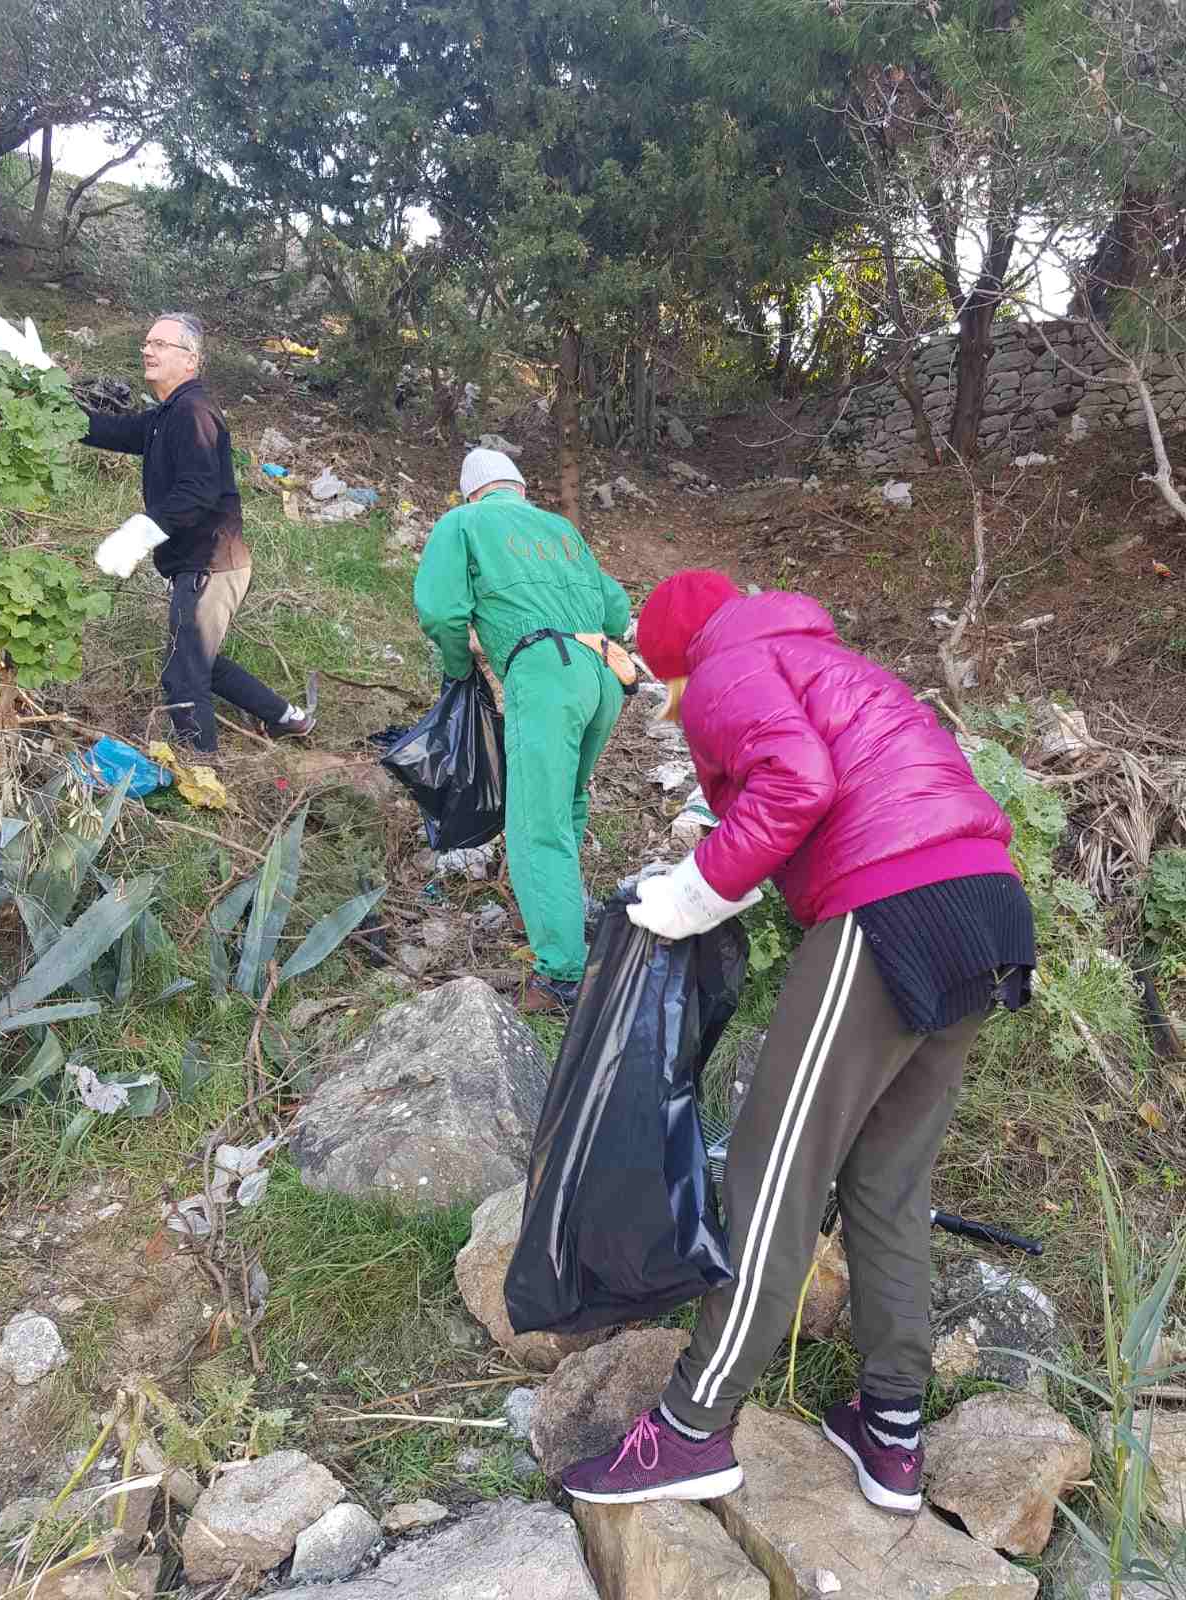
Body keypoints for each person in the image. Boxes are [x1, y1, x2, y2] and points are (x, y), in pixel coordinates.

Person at [560, 569, 1035, 1513]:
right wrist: (711, 853)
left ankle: (692, 1428)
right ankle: (891, 1427)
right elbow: (825, 782)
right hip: (987, 906)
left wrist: (691, 899)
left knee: (774, 1167)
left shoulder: (729, 663)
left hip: (890, 908)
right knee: (888, 1178)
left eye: (663, 688)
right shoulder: (820, 657)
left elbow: (796, 783)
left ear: (676, 660)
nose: (667, 706)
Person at [414, 448, 631, 1013]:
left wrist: (461, 668)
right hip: (602, 675)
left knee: (537, 825)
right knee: (567, 803)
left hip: (545, 673)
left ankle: (561, 977)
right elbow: (617, 608)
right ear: (520, 489)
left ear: (472, 492)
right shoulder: (560, 529)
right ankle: (560, 906)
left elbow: (440, 612)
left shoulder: (463, 523)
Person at [80, 311, 315, 754]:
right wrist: (48, 394)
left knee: (184, 673)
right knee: (197, 660)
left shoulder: (195, 411)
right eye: (146, 342)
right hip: (205, 562)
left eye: (160, 344)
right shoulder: (165, 415)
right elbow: (108, 428)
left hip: (211, 564)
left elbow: (199, 490)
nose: (147, 349)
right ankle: (288, 718)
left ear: (191, 360)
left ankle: (203, 771)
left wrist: (141, 531)